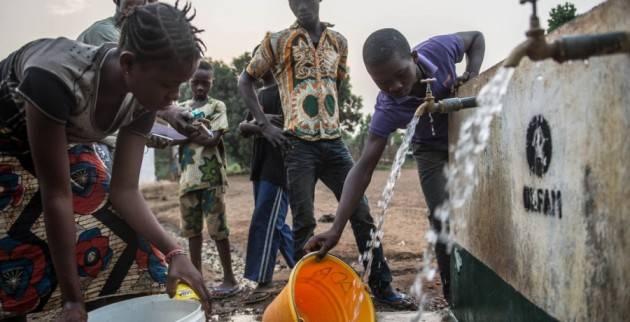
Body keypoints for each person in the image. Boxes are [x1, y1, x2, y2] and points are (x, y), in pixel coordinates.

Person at [0, 3, 211, 321]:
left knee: (133, 247)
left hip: (63, 139)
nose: (174, 96)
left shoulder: (143, 97)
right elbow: (56, 195)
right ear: (128, 64)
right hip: (7, 141)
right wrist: (73, 301)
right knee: (19, 258)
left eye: (180, 84)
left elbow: (124, 191)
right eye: (168, 85)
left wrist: (174, 251)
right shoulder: (56, 77)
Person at [237, 0, 413, 308]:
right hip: (296, 145)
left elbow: (337, 85)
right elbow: (245, 79)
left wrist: (331, 118)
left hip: (334, 143)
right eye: (295, 1)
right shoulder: (277, 41)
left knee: (361, 212)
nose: (301, 5)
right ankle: (307, 296)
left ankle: (382, 287)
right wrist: (264, 126)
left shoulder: (339, 42)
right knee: (303, 223)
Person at [305, 28, 486, 302]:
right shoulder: (388, 107)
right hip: (428, 150)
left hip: (465, 135)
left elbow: (476, 38)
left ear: (413, 57)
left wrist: (471, 74)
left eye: (401, 75)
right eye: (383, 83)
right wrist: (336, 226)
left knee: (481, 207)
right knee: (441, 216)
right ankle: (455, 297)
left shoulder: (438, 49)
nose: (396, 87)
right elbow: (363, 168)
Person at [174, 59, 241, 299]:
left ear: (211, 83)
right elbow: (171, 137)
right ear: (189, 82)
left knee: (218, 230)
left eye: (205, 83)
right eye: (196, 83)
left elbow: (213, 138)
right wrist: (194, 132)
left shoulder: (217, 106)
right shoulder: (180, 107)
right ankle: (197, 280)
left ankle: (230, 279)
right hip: (187, 180)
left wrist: (187, 133)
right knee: (192, 232)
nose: (200, 88)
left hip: (211, 177)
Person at [239, 69, 295, 304]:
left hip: (278, 168)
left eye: (260, 61)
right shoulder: (256, 94)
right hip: (260, 167)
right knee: (276, 224)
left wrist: (258, 124)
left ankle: (263, 281)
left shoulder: (286, 93)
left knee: (265, 221)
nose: (256, 67)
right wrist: (261, 124)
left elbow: (289, 129)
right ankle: (307, 264)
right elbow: (242, 128)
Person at [77, 0, 149, 171]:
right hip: (91, 141)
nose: (144, 3)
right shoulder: (105, 33)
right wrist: (172, 114)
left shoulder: (139, 42)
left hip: (110, 139)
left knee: (119, 193)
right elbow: (141, 84)